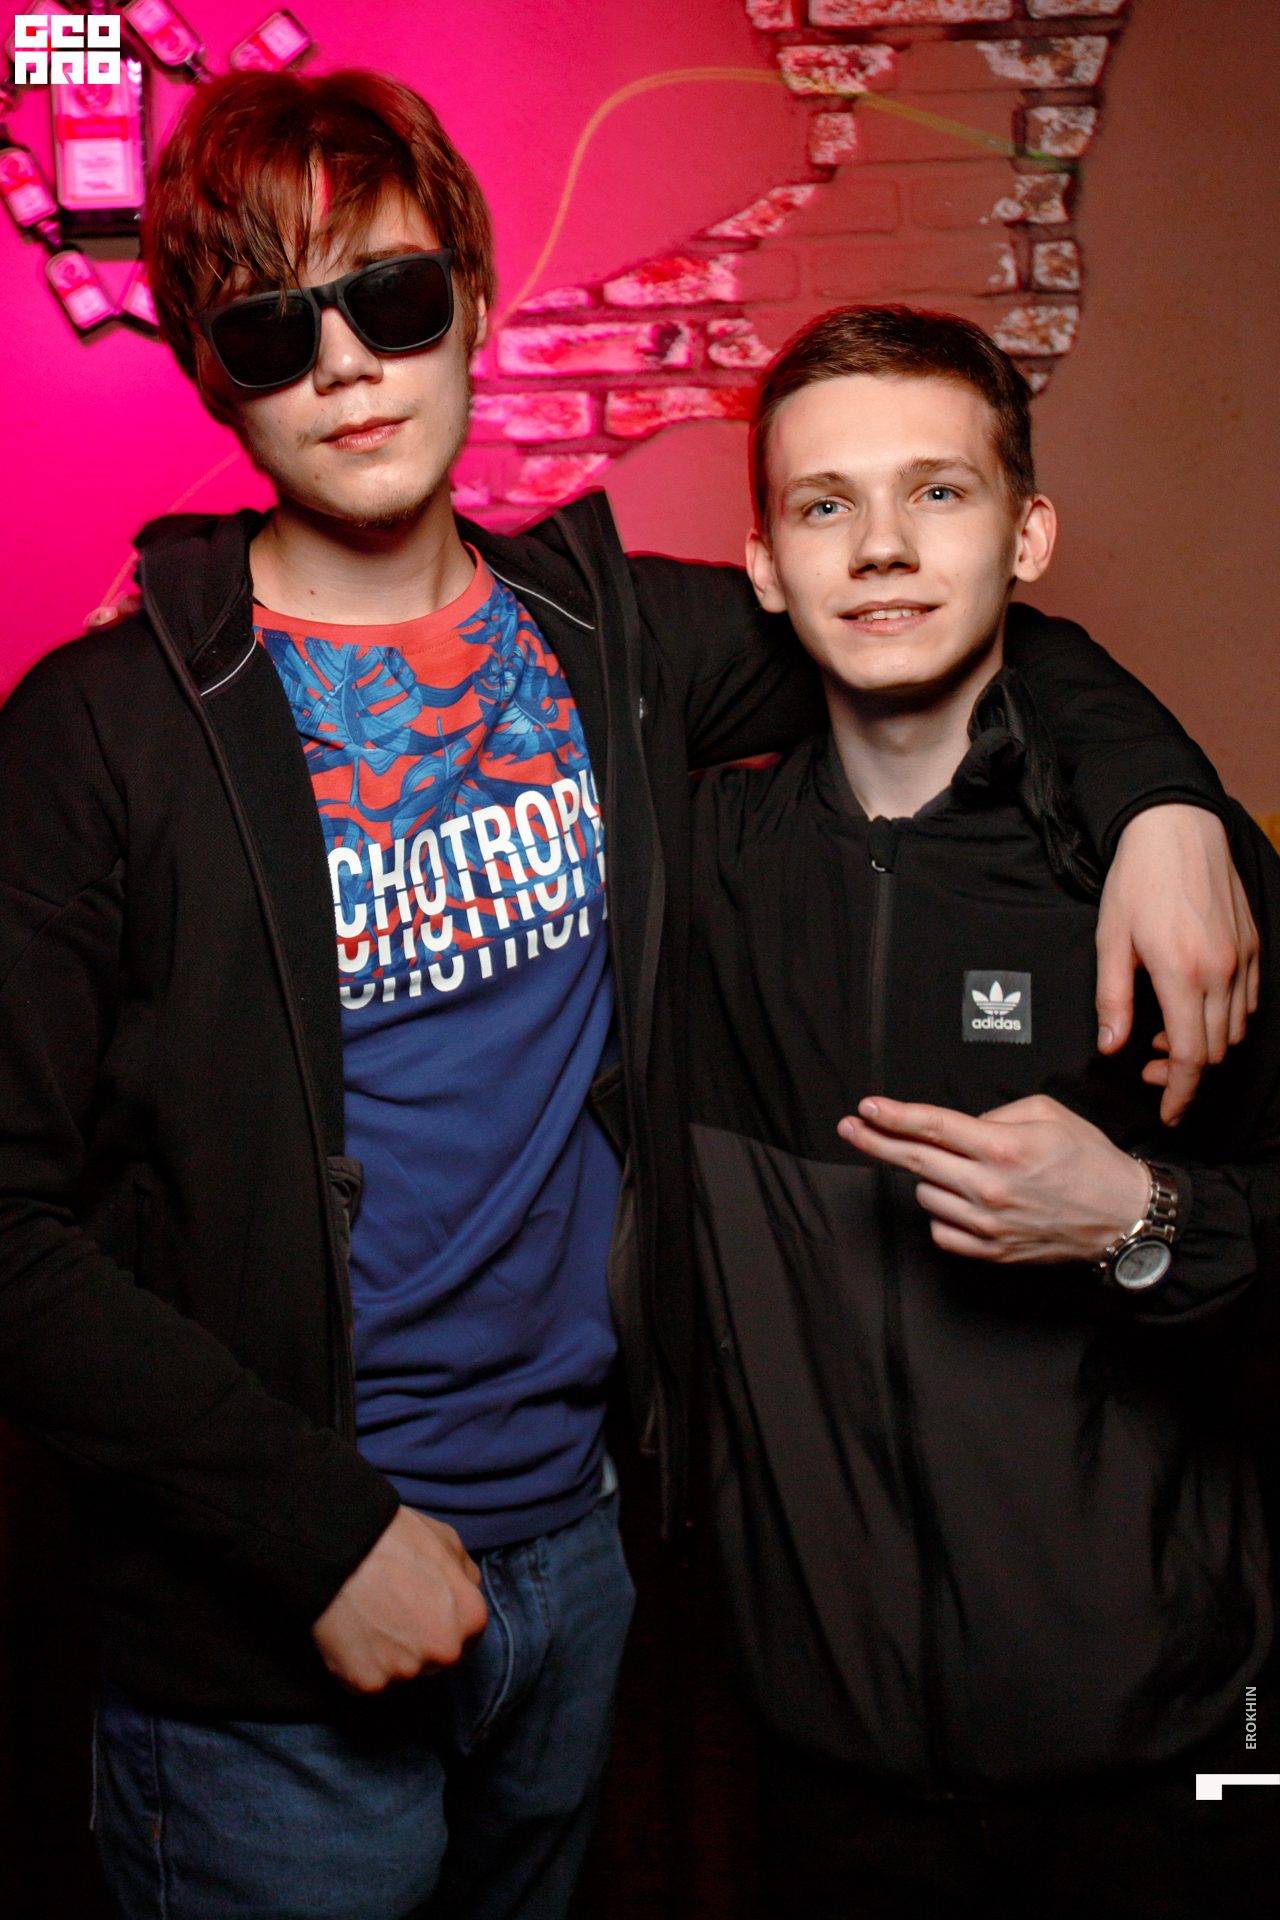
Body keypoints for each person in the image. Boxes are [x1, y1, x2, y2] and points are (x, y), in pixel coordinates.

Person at [0, 66, 1257, 1920]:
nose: (345, 365)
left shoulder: (615, 644)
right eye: (272, 328)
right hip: (272, 1639)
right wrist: (312, 1534)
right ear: (209, 372)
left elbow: (919, 593)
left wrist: (1163, 806)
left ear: (473, 305)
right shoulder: (100, 735)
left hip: (583, 1570)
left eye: (390, 298)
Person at [686, 303, 1280, 1919]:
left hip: (1183, 1746)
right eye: (826, 505)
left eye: (937, 493)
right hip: (830, 1768)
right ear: (764, 568)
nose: (882, 547)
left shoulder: (1167, 883)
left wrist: (1145, 1220)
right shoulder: (700, 881)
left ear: (1028, 537)